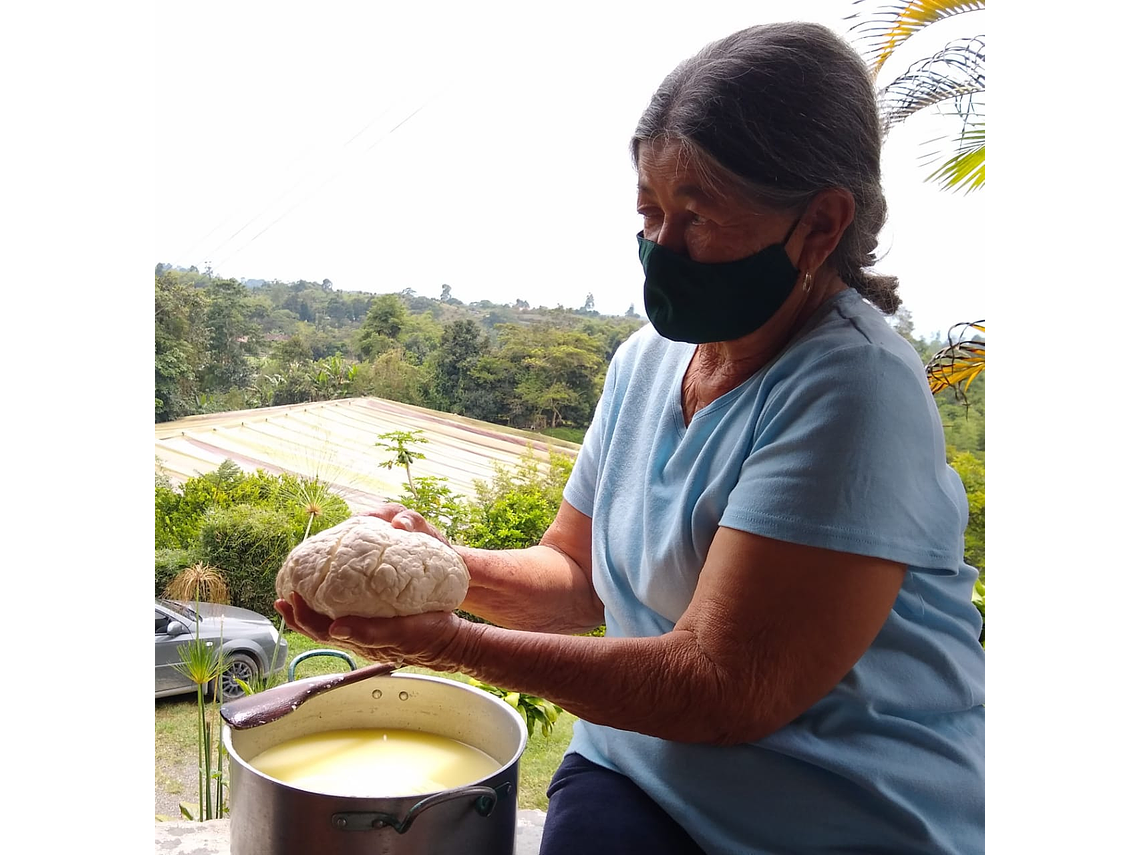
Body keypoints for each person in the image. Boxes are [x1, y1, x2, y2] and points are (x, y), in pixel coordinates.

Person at [278, 21, 985, 855]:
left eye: (699, 216)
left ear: (821, 225)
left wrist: (448, 641)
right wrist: (441, 573)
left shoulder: (854, 390)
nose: (661, 247)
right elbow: (578, 577)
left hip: (838, 813)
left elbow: (725, 689)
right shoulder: (648, 362)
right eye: (649, 210)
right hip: (637, 767)